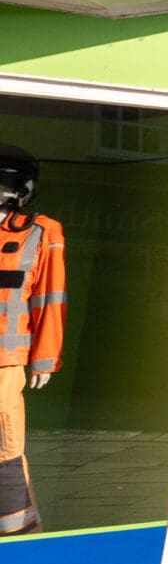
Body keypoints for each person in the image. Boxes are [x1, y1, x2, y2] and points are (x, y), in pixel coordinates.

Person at [0, 146, 65, 537]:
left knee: (5, 444)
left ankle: (15, 530)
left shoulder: (42, 231)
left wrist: (44, 358)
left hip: (6, 361)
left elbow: (50, 296)